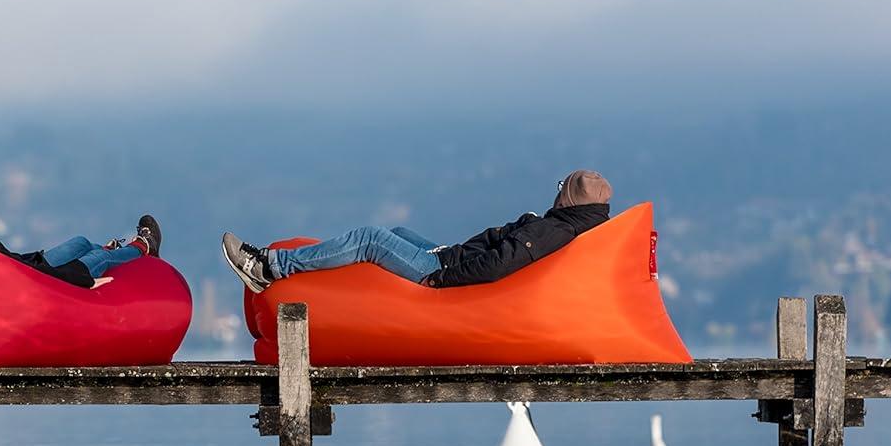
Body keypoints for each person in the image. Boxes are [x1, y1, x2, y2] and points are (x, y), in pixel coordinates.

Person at [221, 170, 612, 293]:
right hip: (450, 256)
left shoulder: (553, 231)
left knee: (369, 238)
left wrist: (441, 276)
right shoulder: (564, 227)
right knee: (398, 230)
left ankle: (269, 268)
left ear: (569, 200)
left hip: (443, 270)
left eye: (560, 191)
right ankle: (287, 266)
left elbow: (499, 265)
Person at [0, 189, 161, 289]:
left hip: (35, 262)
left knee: (81, 242)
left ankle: (107, 250)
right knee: (98, 258)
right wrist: (85, 281)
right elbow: (24, 277)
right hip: (42, 275)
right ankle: (142, 247)